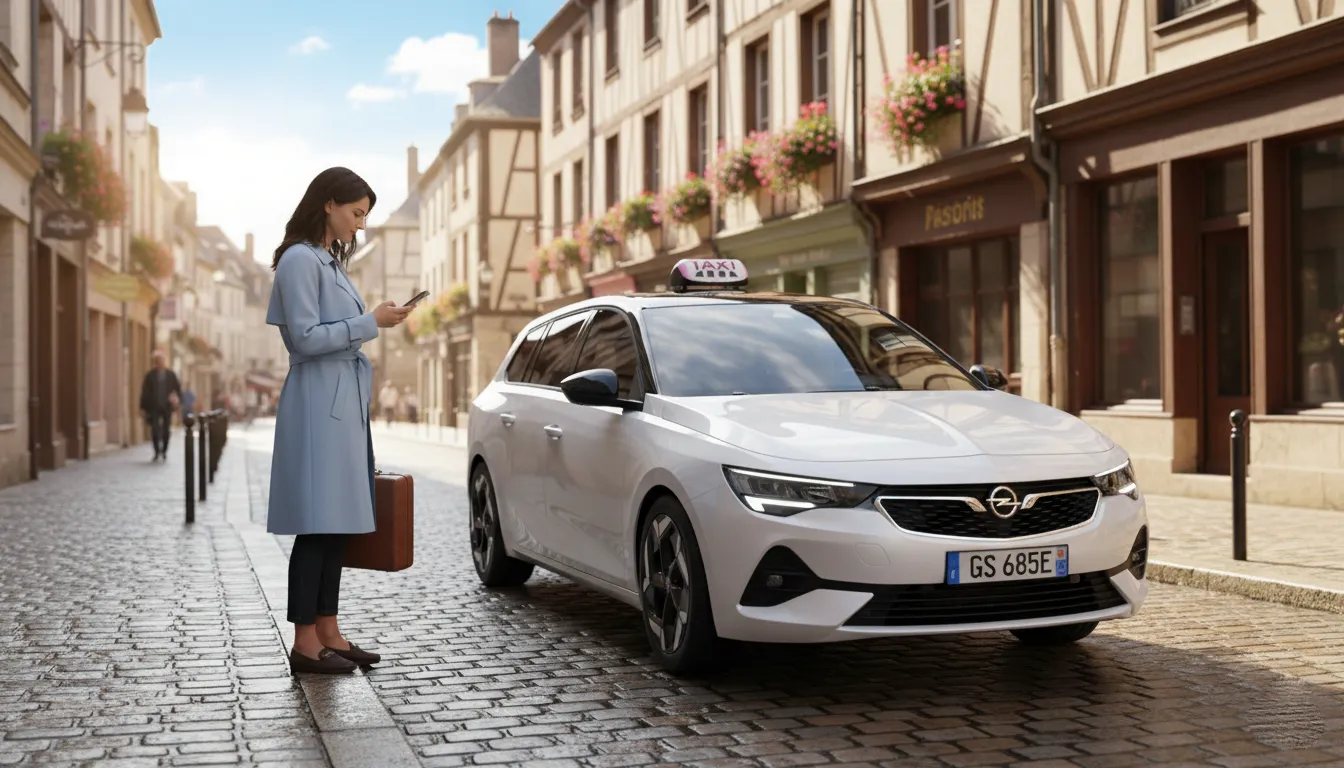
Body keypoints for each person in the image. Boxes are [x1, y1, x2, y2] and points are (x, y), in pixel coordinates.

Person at [266, 167, 413, 675]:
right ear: (328, 204)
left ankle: (329, 630)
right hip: (316, 402)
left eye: (366, 216)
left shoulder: (328, 262)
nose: (361, 225)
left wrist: (370, 321)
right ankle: (305, 642)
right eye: (357, 213)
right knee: (316, 524)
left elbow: (338, 330)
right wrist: (371, 322)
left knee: (336, 526)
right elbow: (305, 338)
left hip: (341, 402)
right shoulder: (298, 261)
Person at [139, 350, 182, 462]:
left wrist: (177, 402)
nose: (160, 363)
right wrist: (142, 407)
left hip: (167, 406)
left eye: (161, 360)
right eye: (157, 361)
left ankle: (165, 450)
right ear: (155, 363)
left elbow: (177, 389)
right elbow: (145, 392)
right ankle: (157, 451)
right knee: (155, 429)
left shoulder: (170, 374)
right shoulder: (150, 376)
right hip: (154, 406)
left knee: (166, 429)